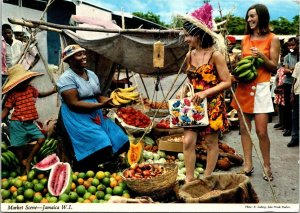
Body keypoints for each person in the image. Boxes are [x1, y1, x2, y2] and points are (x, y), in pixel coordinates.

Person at [178, 3, 231, 182]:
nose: (185, 39)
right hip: (193, 105)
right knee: (188, 141)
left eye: (188, 35)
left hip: (212, 104)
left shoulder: (215, 55)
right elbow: (190, 79)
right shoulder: (189, 56)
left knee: (210, 143)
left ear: (199, 34)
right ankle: (190, 179)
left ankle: (207, 178)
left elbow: (227, 82)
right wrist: (183, 89)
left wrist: (205, 93)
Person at [56, 44, 129, 172]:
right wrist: (101, 105)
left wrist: (112, 102)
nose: (84, 57)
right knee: (100, 143)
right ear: (69, 60)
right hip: (76, 116)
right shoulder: (66, 78)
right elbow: (74, 103)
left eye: (84, 54)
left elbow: (98, 95)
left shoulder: (91, 74)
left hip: (95, 113)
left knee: (120, 138)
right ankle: (85, 170)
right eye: (79, 55)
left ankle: (108, 166)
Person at [231, 4, 280, 181]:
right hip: (243, 88)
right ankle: (248, 164)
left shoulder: (273, 39)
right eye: (248, 17)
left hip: (261, 88)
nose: (249, 19)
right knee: (244, 129)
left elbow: (274, 67)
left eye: (252, 16)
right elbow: (243, 64)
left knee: (261, 131)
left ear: (262, 17)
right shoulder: (244, 39)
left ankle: (267, 166)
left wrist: (261, 56)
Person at [1, 64, 57, 173]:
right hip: (17, 123)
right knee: (19, 147)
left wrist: (53, 91)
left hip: (30, 123)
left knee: (41, 139)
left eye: (26, 80)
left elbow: (40, 94)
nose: (25, 83)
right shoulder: (12, 95)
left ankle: (29, 159)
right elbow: (5, 111)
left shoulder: (31, 89)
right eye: (22, 82)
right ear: (16, 83)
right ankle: (22, 167)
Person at [281, 37, 298, 137]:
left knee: (296, 107)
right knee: (287, 106)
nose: (291, 47)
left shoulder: (298, 56)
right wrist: (294, 69)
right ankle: (288, 128)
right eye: (289, 45)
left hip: (297, 84)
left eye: (293, 45)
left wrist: (291, 70)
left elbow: (289, 70)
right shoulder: (287, 57)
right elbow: (285, 71)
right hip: (288, 83)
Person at [287, 52, 299, 147]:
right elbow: (294, 80)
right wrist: (292, 93)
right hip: (297, 93)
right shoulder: (298, 64)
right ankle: (295, 137)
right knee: (295, 117)